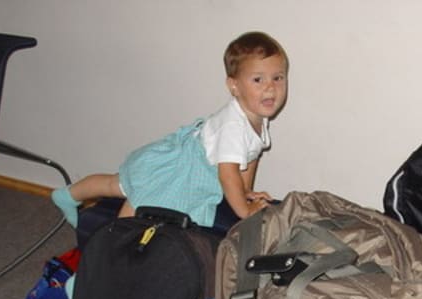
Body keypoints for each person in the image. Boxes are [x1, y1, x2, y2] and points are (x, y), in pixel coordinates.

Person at [50, 31, 289, 234]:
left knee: (119, 184)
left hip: (189, 165)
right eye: (258, 80)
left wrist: (245, 191)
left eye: (278, 78)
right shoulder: (233, 128)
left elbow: (250, 156)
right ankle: (111, 249)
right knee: (136, 202)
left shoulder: (257, 117)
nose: (270, 87)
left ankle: (69, 195)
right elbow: (228, 175)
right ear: (234, 86)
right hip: (180, 171)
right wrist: (245, 211)